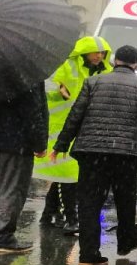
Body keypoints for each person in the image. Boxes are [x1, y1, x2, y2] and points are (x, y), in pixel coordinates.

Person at [52, 45, 137, 265]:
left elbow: (76, 115)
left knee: (89, 203)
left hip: (91, 152)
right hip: (126, 154)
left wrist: (61, 144)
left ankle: (88, 255)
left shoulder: (93, 82)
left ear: (114, 61)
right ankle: (125, 241)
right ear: (136, 64)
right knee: (125, 199)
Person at [35, 35, 112, 234]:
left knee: (67, 174)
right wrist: (59, 90)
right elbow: (45, 87)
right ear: (84, 52)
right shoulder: (67, 66)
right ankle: (71, 217)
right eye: (95, 52)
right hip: (61, 128)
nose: (99, 56)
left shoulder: (105, 72)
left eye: (102, 53)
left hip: (85, 129)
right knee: (67, 175)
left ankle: (48, 213)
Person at [0, 84, 48, 254]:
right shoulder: (25, 75)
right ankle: (2, 237)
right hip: (16, 141)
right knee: (12, 188)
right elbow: (33, 111)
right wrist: (39, 143)